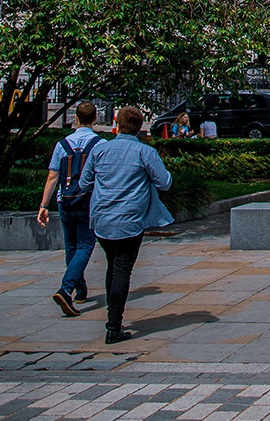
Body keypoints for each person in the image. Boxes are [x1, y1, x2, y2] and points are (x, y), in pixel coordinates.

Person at [79, 104, 173, 345]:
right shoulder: (145, 152)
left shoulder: (100, 151)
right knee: (122, 269)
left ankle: (114, 321)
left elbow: (84, 183)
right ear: (139, 128)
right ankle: (113, 326)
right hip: (130, 220)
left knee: (113, 266)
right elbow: (164, 183)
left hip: (102, 219)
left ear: (116, 125)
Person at [37, 100, 100, 316]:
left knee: (71, 246)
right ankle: (66, 289)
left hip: (64, 201)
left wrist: (44, 205)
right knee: (84, 245)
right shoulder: (99, 145)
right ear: (95, 118)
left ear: (75, 118)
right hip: (87, 202)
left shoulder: (62, 145)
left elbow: (52, 176)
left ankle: (80, 290)